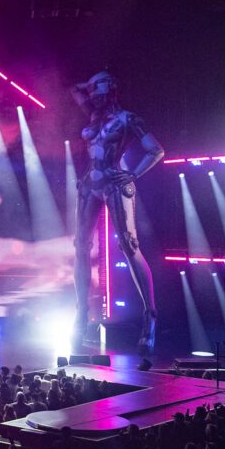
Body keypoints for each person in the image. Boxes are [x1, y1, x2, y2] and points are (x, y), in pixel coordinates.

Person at [71, 71, 164, 352]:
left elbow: (156, 150)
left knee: (129, 244)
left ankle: (150, 315)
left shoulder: (127, 119)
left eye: (98, 93)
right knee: (80, 246)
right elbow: (74, 89)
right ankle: (80, 313)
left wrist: (133, 174)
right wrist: (90, 84)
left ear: (109, 92)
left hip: (114, 181)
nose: (93, 98)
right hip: (90, 182)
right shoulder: (94, 117)